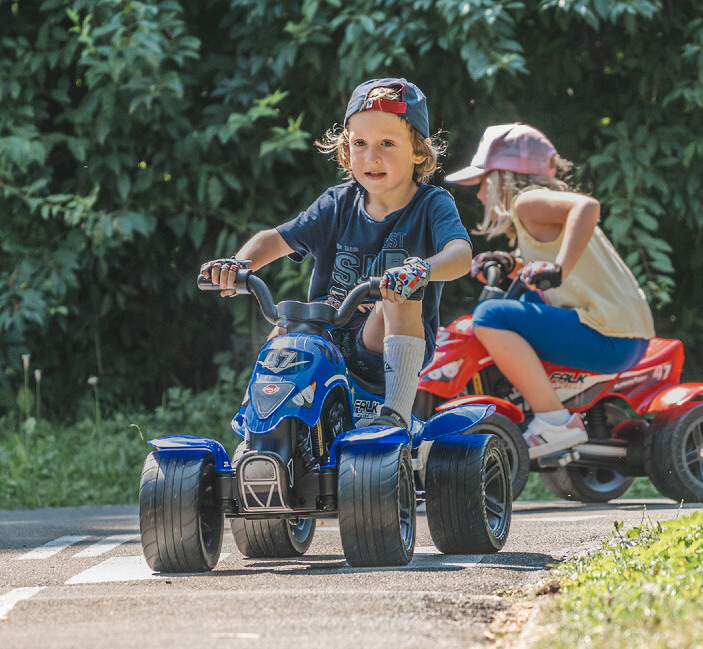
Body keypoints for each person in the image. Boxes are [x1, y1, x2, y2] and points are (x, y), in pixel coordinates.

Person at [201, 78, 473, 429]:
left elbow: (460, 254)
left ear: (418, 152)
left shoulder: (432, 204)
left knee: (399, 294)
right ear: (346, 149)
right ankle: (257, 428)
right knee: (285, 329)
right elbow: (275, 239)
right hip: (326, 334)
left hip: (379, 343)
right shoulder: (337, 203)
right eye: (360, 143)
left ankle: (395, 419)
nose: (371, 156)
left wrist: (421, 268)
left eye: (387, 143)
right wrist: (239, 264)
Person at [445, 122, 655, 458]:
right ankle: (541, 407)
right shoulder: (533, 215)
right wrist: (511, 263)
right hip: (618, 333)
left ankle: (555, 421)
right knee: (523, 299)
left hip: (609, 334)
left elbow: (586, 207)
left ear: (503, 177)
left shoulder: (527, 202)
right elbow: (556, 267)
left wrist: (558, 269)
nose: (480, 193)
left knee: (489, 316)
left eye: (482, 182)